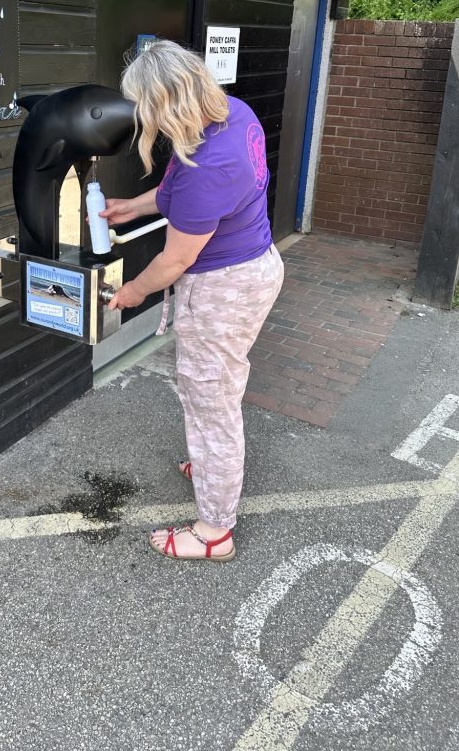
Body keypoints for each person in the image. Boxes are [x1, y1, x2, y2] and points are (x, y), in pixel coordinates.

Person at [101, 40, 284, 563]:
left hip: (225, 287)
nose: (142, 116)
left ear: (166, 101)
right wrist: (131, 207)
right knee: (207, 391)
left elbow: (175, 261)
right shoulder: (232, 113)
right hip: (251, 267)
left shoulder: (211, 164)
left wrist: (133, 292)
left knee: (212, 403)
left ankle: (214, 531)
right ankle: (209, 466)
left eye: (145, 104)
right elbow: (176, 188)